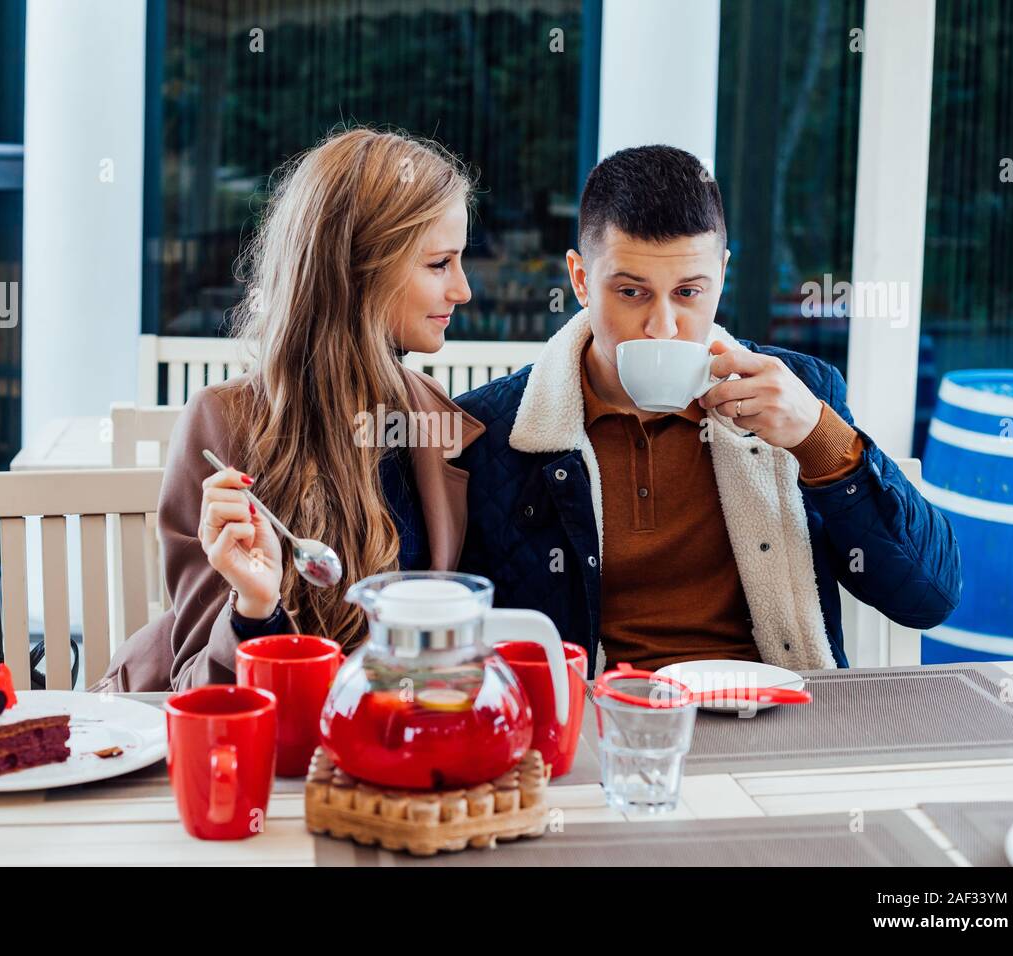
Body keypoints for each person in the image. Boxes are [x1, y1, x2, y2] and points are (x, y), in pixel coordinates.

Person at [455, 145, 962, 677]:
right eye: (631, 292)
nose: (664, 326)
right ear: (580, 280)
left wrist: (819, 438)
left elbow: (930, 599)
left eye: (689, 292)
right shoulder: (494, 434)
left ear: (721, 275)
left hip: (780, 720)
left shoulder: (800, 394)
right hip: (607, 732)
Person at [96, 128, 484, 691]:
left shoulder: (442, 427)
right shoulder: (223, 427)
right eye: (439, 264)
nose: (463, 290)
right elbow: (199, 689)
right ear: (358, 271)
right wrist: (254, 605)